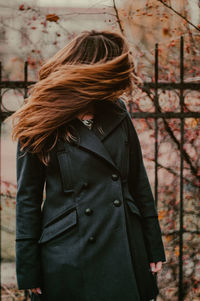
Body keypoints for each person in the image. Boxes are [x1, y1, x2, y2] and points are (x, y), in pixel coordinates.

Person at [10, 30, 166, 301]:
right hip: (69, 253)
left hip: (125, 245)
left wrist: (153, 247)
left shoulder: (117, 112)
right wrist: (29, 269)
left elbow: (138, 181)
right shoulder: (40, 118)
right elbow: (28, 200)